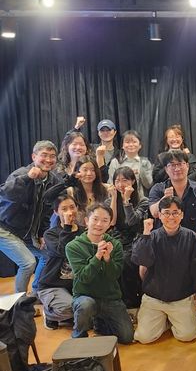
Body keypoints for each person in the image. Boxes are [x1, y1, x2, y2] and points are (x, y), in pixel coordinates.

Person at [132, 197, 196, 343]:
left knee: (187, 336)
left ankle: (175, 320)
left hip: (181, 297)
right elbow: (141, 260)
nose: (171, 217)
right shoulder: (151, 236)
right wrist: (145, 233)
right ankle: (166, 321)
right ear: (160, 215)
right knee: (143, 338)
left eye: (175, 213)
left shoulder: (191, 237)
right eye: (166, 213)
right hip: (153, 298)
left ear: (182, 215)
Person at [65, 203, 134, 343]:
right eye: (95, 219)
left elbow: (114, 276)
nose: (99, 224)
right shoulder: (73, 246)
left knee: (127, 337)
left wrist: (107, 259)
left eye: (104, 220)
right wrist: (97, 257)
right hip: (85, 295)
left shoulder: (115, 244)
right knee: (85, 305)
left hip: (110, 297)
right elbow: (84, 277)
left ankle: (100, 323)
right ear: (86, 221)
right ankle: (78, 335)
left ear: (109, 224)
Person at [0, 140, 60, 293]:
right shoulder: (21, 173)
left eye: (52, 156)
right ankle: (20, 303)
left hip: (26, 233)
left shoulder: (52, 180)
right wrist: (27, 178)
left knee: (48, 256)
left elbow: (46, 212)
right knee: (27, 263)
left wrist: (41, 234)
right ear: (34, 157)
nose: (48, 160)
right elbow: (5, 194)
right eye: (44, 155)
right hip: (4, 228)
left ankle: (36, 292)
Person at [148, 150, 196, 243]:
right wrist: (164, 199)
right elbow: (154, 213)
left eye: (180, 164)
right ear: (166, 169)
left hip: (193, 241)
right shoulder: (158, 189)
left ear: (187, 166)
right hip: (163, 242)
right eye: (172, 165)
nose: (177, 168)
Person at [37, 194, 82, 329]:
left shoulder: (84, 231)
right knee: (69, 308)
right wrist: (67, 227)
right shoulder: (50, 234)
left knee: (91, 308)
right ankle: (49, 313)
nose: (69, 211)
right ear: (56, 212)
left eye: (72, 207)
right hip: (53, 284)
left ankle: (69, 314)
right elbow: (63, 251)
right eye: (64, 208)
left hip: (76, 285)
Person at [109, 167, 149, 313]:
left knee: (130, 259)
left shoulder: (143, 201)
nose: (120, 184)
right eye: (117, 180)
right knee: (118, 259)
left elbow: (132, 221)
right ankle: (123, 301)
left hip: (137, 238)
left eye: (124, 180)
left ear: (132, 181)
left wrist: (126, 201)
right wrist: (114, 198)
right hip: (117, 238)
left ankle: (134, 301)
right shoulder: (111, 199)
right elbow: (111, 222)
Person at [107, 130, 153, 196]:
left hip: (140, 200)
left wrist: (141, 171)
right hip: (119, 199)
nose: (131, 145)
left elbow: (148, 185)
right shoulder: (115, 162)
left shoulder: (145, 162)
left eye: (134, 142)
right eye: (127, 142)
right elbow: (111, 184)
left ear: (140, 145)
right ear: (122, 145)